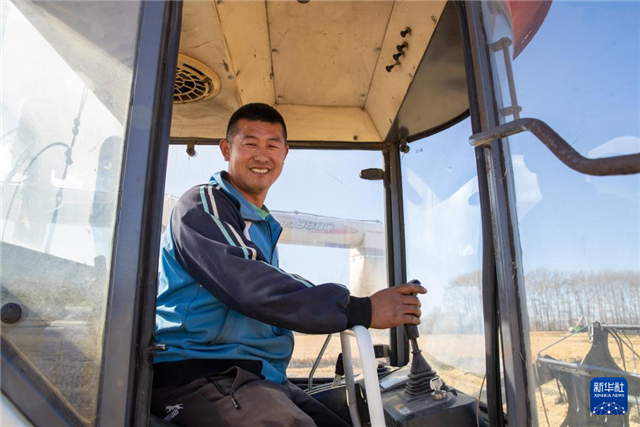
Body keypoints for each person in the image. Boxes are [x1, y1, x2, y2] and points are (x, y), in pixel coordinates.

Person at [152, 103, 427, 426]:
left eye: (272, 146)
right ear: (226, 149)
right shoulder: (202, 204)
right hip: (199, 372)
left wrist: (352, 306)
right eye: (250, 143)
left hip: (257, 375)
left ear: (285, 154)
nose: (262, 156)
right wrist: (361, 310)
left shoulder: (262, 227)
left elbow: (274, 283)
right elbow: (251, 286)